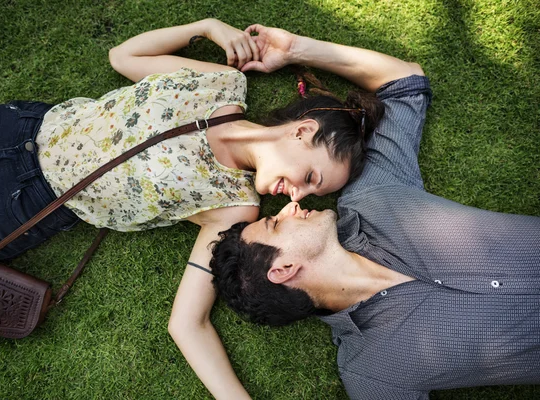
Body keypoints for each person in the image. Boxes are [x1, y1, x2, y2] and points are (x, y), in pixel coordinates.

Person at [0, 19, 386, 398]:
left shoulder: (234, 207)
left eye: (310, 195)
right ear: (302, 131)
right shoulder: (223, 84)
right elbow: (124, 57)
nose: (297, 197)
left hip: (20, 206)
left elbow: (187, 323)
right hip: (12, 127)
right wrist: (205, 27)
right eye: (311, 179)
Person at [210, 25, 540, 399]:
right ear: (282, 270)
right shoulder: (372, 372)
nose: (291, 206)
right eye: (274, 223)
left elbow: (405, 83)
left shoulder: (370, 196)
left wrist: (296, 49)